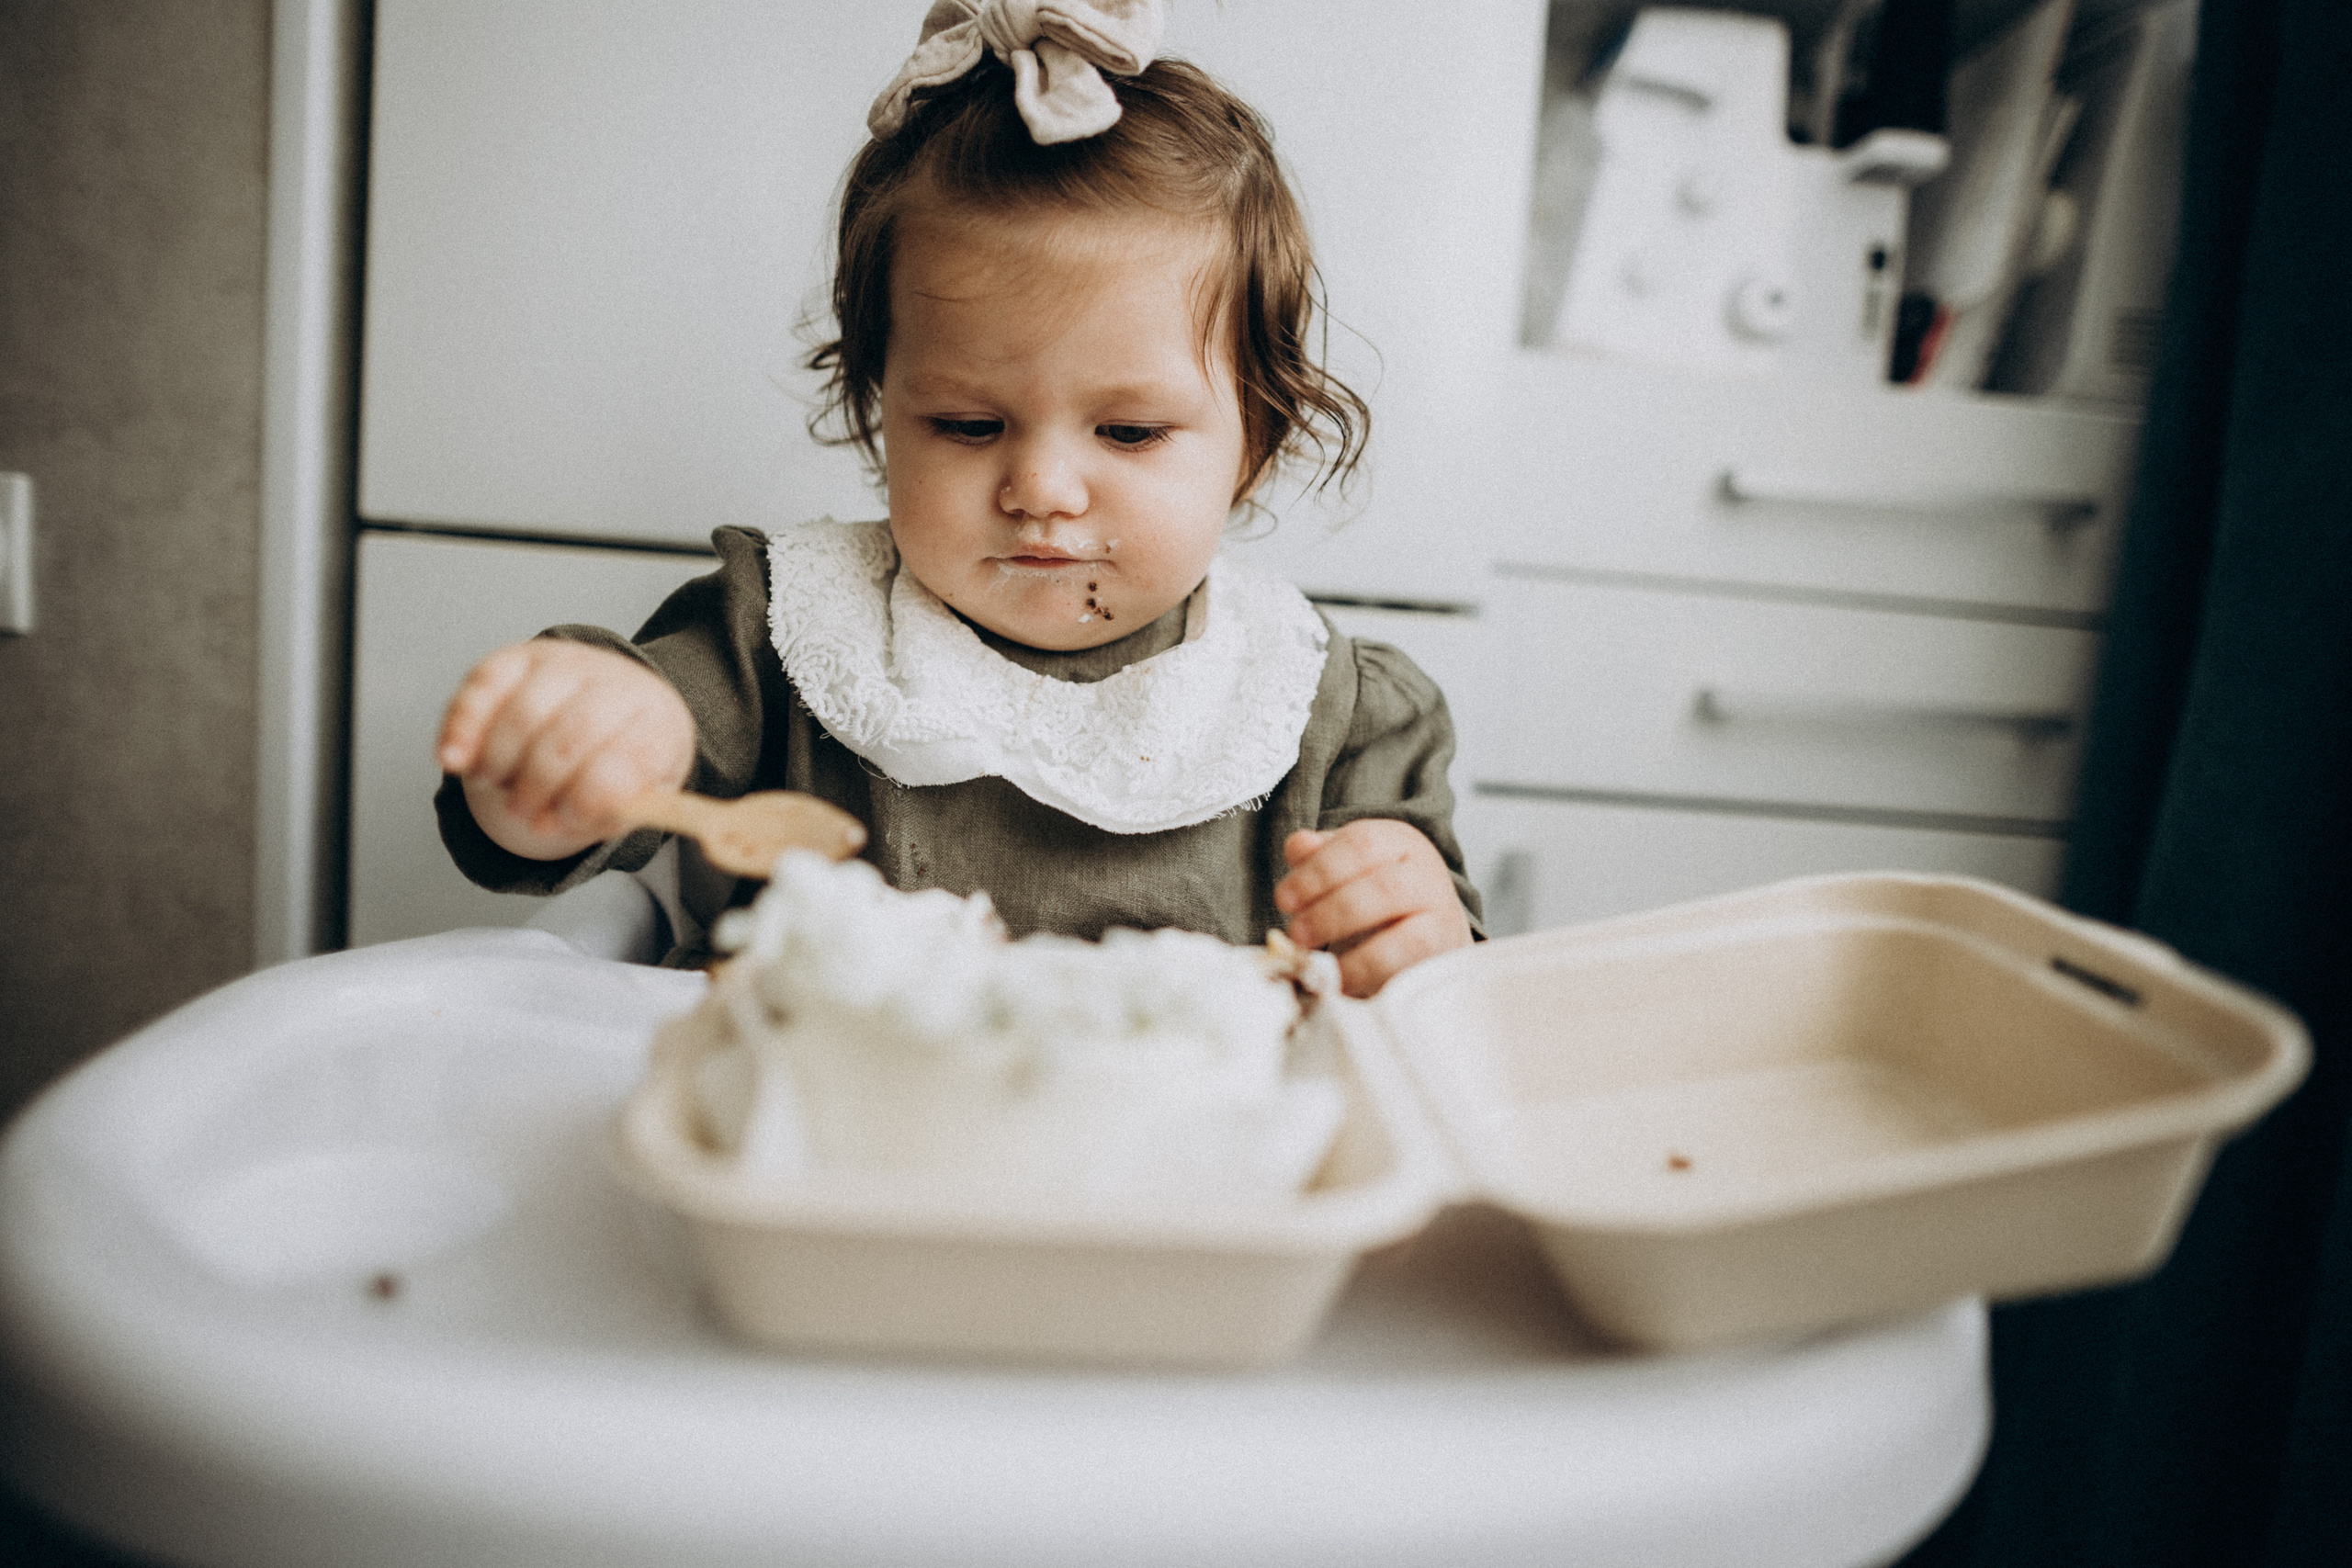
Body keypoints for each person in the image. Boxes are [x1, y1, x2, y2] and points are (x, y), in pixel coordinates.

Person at [433, 0, 1479, 995]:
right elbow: (570, 815)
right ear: (882, 405)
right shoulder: (779, 637)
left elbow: (1442, 990)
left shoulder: (1328, 717)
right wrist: (575, 754)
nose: (1041, 490)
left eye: (1128, 432)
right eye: (969, 426)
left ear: (1255, 442)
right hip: (817, 1117)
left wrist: (1414, 929)